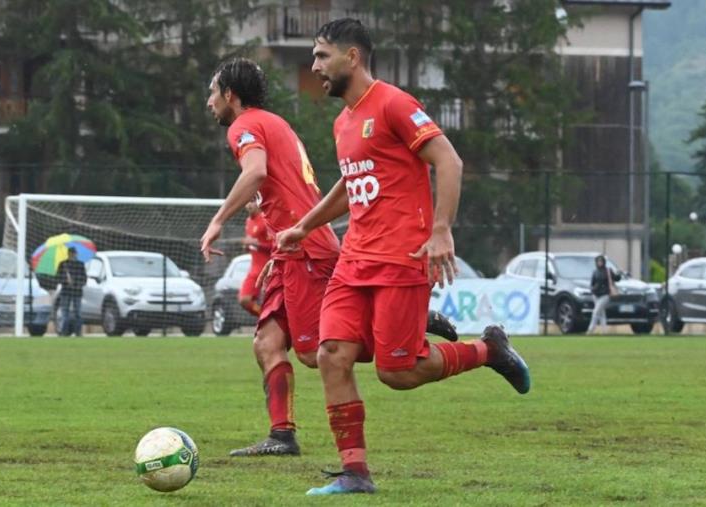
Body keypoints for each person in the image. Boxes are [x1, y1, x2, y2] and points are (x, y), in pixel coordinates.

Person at [275, 19, 531, 495]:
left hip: (401, 256)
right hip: (354, 259)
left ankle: (487, 350)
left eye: (322, 56)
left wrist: (440, 231)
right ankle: (355, 472)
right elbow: (350, 184)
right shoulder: (343, 121)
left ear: (352, 57)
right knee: (330, 354)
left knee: (398, 372)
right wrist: (305, 226)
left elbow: (448, 160)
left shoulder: (394, 104)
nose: (315, 66)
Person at [200, 57, 458, 458]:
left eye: (213, 93)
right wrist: (279, 245)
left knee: (314, 352)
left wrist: (217, 220)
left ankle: (406, 321)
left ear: (230, 95)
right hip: (294, 247)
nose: (209, 101)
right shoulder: (274, 122)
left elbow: (255, 172)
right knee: (268, 342)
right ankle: (281, 435)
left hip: (308, 250)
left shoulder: (244, 125)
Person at [239, 201, 272, 316]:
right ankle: (265, 317)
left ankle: (271, 323)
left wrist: (256, 243)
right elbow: (252, 247)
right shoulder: (248, 221)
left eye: (252, 201)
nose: (248, 205)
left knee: (271, 303)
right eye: (247, 202)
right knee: (244, 300)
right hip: (254, 270)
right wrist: (247, 246)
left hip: (268, 270)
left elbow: (275, 247)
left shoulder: (266, 220)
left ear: (258, 202)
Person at [57, 247, 87, 336]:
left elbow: (84, 279)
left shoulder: (80, 265)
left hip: (77, 292)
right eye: (72, 253)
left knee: (77, 312)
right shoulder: (63, 264)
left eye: (74, 253)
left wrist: (76, 284)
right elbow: (58, 278)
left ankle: (78, 332)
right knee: (64, 312)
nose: (73, 255)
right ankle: (64, 332)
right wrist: (66, 281)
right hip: (66, 292)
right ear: (69, 254)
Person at [587, 255, 620, 335]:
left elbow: (616, 278)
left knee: (595, 311)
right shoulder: (595, 272)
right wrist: (592, 289)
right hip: (595, 295)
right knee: (601, 314)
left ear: (604, 262)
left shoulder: (608, 271)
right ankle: (604, 331)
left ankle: (591, 329)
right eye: (598, 261)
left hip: (605, 294)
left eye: (601, 261)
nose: (599, 263)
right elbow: (592, 283)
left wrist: (619, 274)